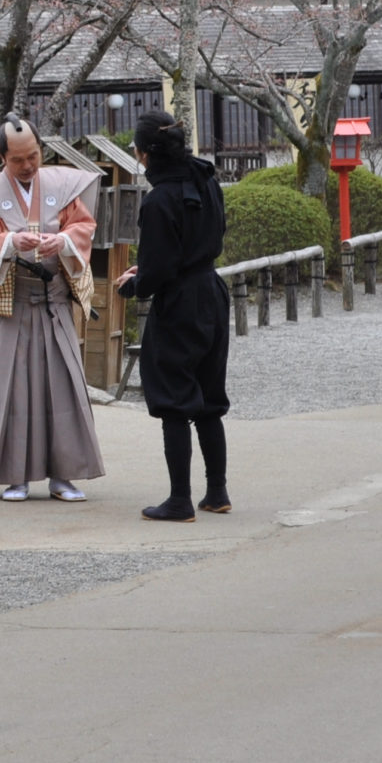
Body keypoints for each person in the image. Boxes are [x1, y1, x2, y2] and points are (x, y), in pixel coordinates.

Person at [0, 117, 105, 502]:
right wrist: (9, 241)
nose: (29, 165)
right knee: (10, 390)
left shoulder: (62, 186)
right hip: (13, 303)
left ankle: (64, 476)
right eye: (19, 160)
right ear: (3, 158)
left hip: (53, 300)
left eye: (34, 156)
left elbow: (83, 226)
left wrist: (63, 241)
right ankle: (14, 475)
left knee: (63, 387)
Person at [115, 110, 232, 521]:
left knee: (175, 402)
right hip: (212, 293)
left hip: (180, 301)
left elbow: (159, 269)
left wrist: (134, 283)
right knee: (209, 397)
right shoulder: (207, 179)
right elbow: (213, 235)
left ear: (144, 154)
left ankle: (180, 500)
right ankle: (217, 492)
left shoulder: (159, 199)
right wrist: (153, 270)